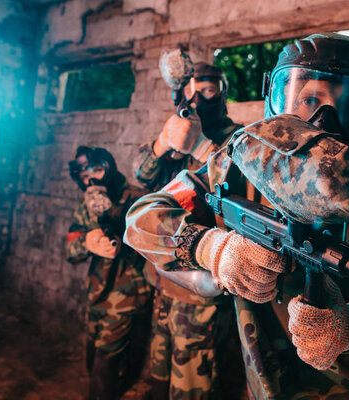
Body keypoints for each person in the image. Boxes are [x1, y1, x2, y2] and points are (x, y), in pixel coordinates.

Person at [124, 34, 349, 399]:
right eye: (308, 100)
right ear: (275, 95)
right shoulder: (236, 168)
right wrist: (211, 247)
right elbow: (141, 217)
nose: (322, 121)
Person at [132, 62, 245, 399]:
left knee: (193, 382)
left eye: (209, 92)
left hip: (202, 285)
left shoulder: (238, 138)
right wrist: (163, 143)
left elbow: (240, 183)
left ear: (222, 94)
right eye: (192, 93)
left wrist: (200, 148)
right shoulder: (177, 131)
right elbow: (141, 173)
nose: (199, 100)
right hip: (165, 277)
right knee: (159, 373)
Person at [66, 146, 152, 400]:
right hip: (96, 295)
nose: (91, 179)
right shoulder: (86, 206)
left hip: (127, 297)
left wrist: (122, 238)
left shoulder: (138, 198)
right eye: (84, 177)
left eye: (97, 170)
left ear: (109, 167)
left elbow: (155, 244)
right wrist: (87, 242)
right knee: (93, 360)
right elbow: (71, 248)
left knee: (106, 366)